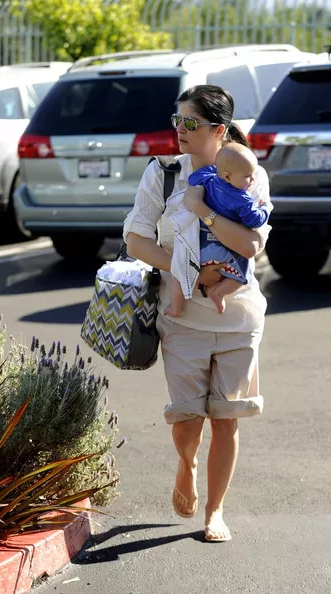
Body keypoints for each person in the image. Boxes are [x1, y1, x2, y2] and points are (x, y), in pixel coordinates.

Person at [123, 84, 272, 543]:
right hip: (182, 318)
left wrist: (204, 213)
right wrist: (190, 270)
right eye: (178, 120)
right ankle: (186, 466)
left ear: (219, 130)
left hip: (238, 319)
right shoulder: (163, 173)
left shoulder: (248, 173)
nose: (180, 130)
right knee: (187, 420)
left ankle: (215, 511)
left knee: (226, 418)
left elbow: (251, 243)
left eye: (190, 122)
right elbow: (136, 241)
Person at [164, 142, 271, 317]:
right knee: (243, 275)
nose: (252, 180)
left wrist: (217, 170)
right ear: (228, 176)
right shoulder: (242, 199)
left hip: (200, 246)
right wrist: (264, 208)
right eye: (248, 176)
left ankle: (175, 307)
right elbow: (254, 219)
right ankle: (218, 293)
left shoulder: (209, 180)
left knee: (180, 273)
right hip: (226, 250)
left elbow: (194, 178)